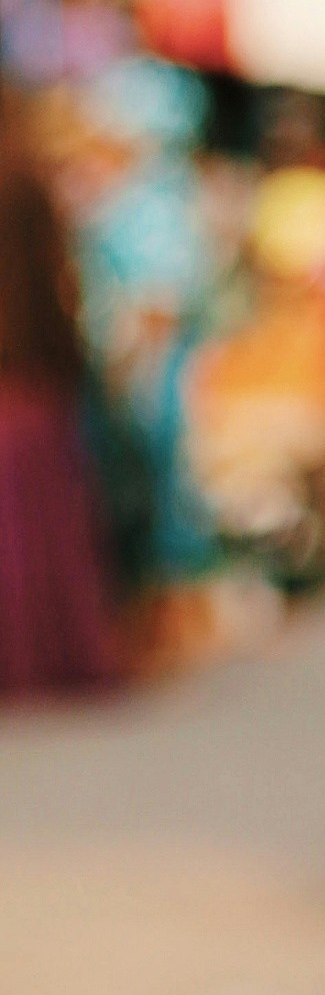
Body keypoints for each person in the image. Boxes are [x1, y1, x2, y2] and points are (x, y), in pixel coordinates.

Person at [0, 98, 123, 698]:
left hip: (23, 372)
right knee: (39, 525)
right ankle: (51, 656)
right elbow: (57, 287)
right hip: (29, 374)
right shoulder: (27, 183)